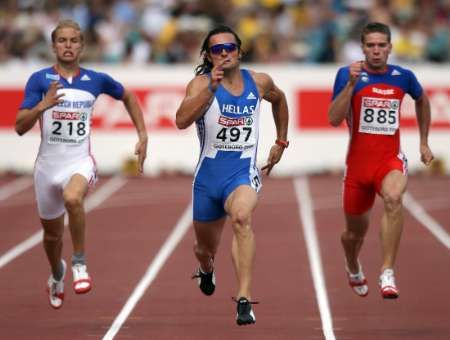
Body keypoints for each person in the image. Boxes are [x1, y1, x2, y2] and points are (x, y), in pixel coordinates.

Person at [15, 20, 148, 309]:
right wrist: (42, 105)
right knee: (51, 237)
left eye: (74, 40)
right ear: (53, 46)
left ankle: (79, 263)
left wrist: (142, 134)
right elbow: (19, 127)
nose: (68, 45)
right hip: (47, 168)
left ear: (82, 46)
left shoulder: (96, 80)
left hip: (79, 161)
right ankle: (57, 273)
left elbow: (126, 96)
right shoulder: (39, 80)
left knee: (73, 198)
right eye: (62, 40)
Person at [175, 25, 289, 325]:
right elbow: (181, 121)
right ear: (208, 55)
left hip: (242, 173)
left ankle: (243, 299)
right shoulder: (199, 85)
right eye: (217, 49)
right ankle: (207, 268)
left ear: (240, 51)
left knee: (241, 217)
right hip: (208, 180)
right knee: (204, 249)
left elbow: (280, 100)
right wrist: (211, 89)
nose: (224, 53)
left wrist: (281, 142)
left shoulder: (260, 81)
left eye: (230, 48)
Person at [328, 22, 433, 299]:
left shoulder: (404, 76)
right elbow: (334, 119)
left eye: (381, 45)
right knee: (353, 235)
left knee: (394, 198)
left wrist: (423, 141)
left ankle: (387, 271)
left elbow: (422, 100)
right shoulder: (346, 74)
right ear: (363, 48)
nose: (376, 51)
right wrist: (351, 84)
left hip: (389, 160)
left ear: (390, 48)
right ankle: (352, 264)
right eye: (370, 46)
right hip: (358, 167)